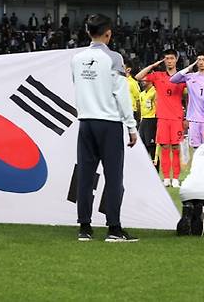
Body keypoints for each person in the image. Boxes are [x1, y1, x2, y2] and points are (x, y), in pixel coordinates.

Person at [71, 14, 138, 242]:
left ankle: (84, 228)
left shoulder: (77, 58)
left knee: (85, 177)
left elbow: (77, 86)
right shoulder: (114, 58)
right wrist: (131, 126)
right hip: (109, 124)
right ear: (108, 33)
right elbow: (121, 94)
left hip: (85, 123)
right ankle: (114, 229)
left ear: (88, 32)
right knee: (113, 177)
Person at [136, 49, 187, 187]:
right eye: (166, 58)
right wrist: (153, 65)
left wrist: (186, 116)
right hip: (162, 118)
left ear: (176, 59)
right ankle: (166, 178)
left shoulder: (183, 77)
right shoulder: (157, 75)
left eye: (171, 58)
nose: (169, 61)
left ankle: (175, 178)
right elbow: (138, 77)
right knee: (164, 147)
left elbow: (188, 96)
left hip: (176, 117)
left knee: (176, 147)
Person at [170, 52, 204, 148]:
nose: (201, 62)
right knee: (196, 148)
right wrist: (189, 68)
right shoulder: (190, 76)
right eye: (198, 60)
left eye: (203, 60)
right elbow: (173, 79)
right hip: (193, 119)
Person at [139, 80, 158, 169]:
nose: (143, 82)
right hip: (143, 121)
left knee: (152, 147)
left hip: (152, 120)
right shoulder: (142, 94)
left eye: (145, 80)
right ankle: (145, 170)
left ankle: (156, 171)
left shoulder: (155, 92)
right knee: (143, 146)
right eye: (142, 80)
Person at [124, 58, 141, 123]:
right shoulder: (121, 81)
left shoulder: (133, 82)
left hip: (131, 112)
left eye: (122, 67)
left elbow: (138, 99)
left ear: (128, 70)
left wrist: (139, 115)